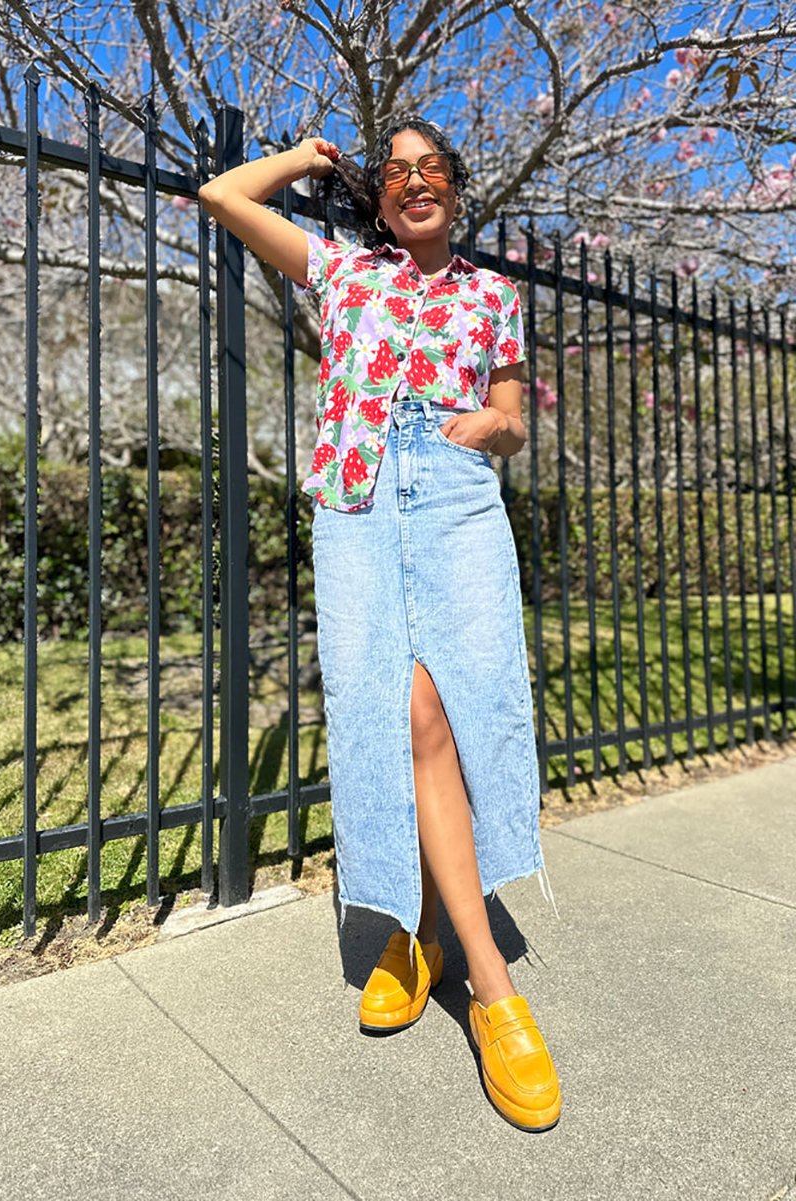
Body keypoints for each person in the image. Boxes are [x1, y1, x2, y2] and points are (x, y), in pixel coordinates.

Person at [199, 116, 561, 1131]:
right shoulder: (344, 271)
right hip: (356, 503)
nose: (413, 180)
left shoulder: (493, 295)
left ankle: (459, 962)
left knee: (456, 713)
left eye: (430, 166)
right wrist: (312, 160)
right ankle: (437, 947)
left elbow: (511, 417)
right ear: (380, 198)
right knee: (392, 719)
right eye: (394, 171)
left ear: (455, 185)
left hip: (454, 499)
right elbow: (224, 196)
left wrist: (495, 425)